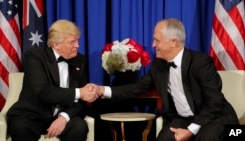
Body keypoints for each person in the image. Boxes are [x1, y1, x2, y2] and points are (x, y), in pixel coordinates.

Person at [92, 18, 239, 141]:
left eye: (157, 40)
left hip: (213, 117)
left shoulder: (201, 62)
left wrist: (190, 130)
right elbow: (137, 88)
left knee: (206, 137)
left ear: (173, 42)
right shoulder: (159, 64)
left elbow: (214, 103)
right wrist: (102, 90)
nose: (153, 45)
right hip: (183, 118)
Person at [7, 19, 97, 141]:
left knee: (79, 127)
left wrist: (64, 117)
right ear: (56, 44)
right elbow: (43, 92)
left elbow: (81, 102)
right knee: (20, 127)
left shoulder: (80, 60)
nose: (77, 45)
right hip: (32, 115)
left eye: (77, 40)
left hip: (61, 114)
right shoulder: (34, 56)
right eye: (72, 42)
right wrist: (80, 92)